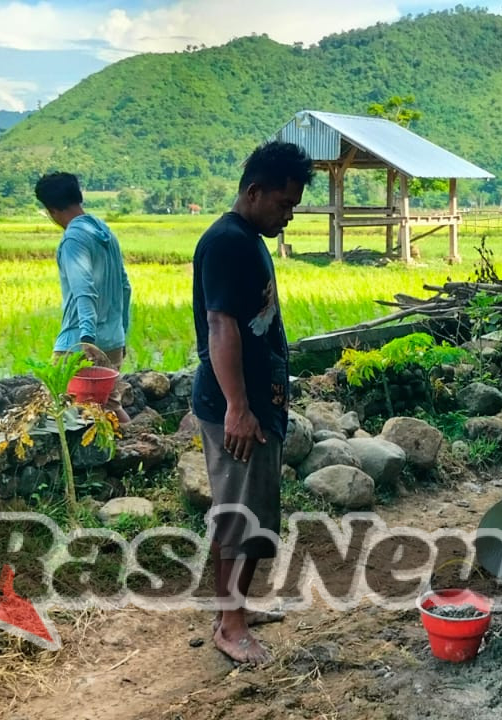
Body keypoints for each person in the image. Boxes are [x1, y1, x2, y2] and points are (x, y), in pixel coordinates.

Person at [190, 141, 313, 664]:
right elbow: (220, 326)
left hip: (256, 405)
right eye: (284, 204)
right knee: (240, 518)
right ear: (255, 191)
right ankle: (230, 625)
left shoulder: (248, 238)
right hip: (237, 409)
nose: (289, 215)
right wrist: (238, 408)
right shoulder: (227, 243)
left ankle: (233, 610)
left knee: (247, 513)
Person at [35, 171, 133, 423]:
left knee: (55, 409)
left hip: (79, 342)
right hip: (113, 339)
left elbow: (83, 290)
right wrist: (122, 333)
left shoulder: (73, 240)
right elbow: (125, 287)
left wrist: (87, 338)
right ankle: (139, 444)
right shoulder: (105, 232)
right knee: (109, 407)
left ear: (52, 210)